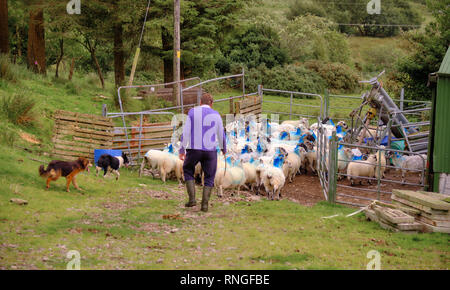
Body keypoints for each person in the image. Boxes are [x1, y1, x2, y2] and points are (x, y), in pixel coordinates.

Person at [179, 93, 226, 212]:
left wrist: (182, 149)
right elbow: (221, 134)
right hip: (210, 151)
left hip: (194, 149)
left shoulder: (192, 112)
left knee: (188, 169)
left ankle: (192, 200)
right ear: (212, 103)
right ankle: (204, 205)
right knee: (209, 176)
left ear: (200, 102)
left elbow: (186, 132)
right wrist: (224, 149)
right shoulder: (216, 115)